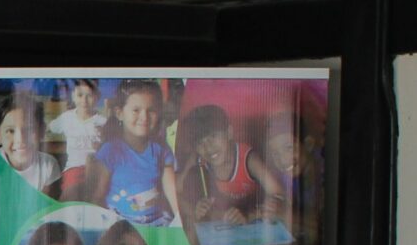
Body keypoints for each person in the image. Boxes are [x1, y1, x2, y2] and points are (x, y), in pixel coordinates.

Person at [89, 80, 182, 229]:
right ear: (119, 113)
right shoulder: (110, 150)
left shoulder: (162, 150)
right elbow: (97, 196)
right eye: (136, 110)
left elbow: (173, 195)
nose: (144, 117)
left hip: (156, 226)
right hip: (119, 227)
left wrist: (181, 224)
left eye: (151, 110)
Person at [174, 103, 263, 229]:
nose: (208, 147)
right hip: (226, 223)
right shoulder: (198, 158)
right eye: (200, 143)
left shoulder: (249, 159)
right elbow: (175, 191)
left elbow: (278, 195)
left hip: (253, 216)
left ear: (229, 133)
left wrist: (249, 216)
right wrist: (193, 211)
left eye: (213, 136)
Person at [0, 98, 57, 193]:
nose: (20, 139)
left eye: (28, 130)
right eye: (10, 131)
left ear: (42, 132)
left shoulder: (49, 165)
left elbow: (47, 205)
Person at [47, 78, 108, 168]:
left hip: (95, 169)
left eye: (89, 95)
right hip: (73, 168)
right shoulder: (67, 117)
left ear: (97, 97)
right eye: (80, 95)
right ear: (73, 96)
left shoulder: (103, 122)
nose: (84, 100)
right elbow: (50, 127)